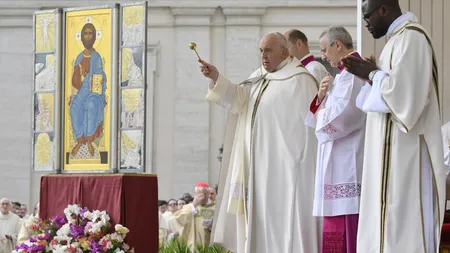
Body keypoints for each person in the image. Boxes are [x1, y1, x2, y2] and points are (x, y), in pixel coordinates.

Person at [341, 0, 448, 252]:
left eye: (368, 17)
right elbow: (387, 92)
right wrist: (372, 75)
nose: (366, 24)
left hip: (407, 154)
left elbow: (406, 100)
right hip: (390, 154)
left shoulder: (412, 38)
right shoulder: (395, 41)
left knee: (403, 225)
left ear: (385, 9)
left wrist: (372, 75)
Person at [199, 32, 320, 253]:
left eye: (268, 50)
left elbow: (307, 132)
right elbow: (238, 99)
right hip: (255, 170)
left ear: (284, 52)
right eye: (261, 51)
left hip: (285, 173)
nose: (263, 56)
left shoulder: (301, 81)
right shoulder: (259, 77)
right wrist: (216, 77)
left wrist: (295, 165)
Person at [305, 26, 366, 253]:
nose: (323, 56)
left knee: (346, 233)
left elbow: (345, 117)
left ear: (337, 45)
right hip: (337, 166)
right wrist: (322, 98)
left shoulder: (353, 73)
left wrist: (322, 114)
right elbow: (326, 115)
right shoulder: (343, 75)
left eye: (324, 50)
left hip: (347, 166)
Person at [70, 23, 107, 157]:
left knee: (91, 105)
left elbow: (100, 74)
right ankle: (80, 139)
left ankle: (90, 140)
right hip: (82, 90)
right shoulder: (79, 57)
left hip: (94, 92)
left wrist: (102, 79)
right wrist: (78, 73)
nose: (88, 36)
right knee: (74, 107)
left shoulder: (97, 57)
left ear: (94, 36)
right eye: (85, 33)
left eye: (90, 33)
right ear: (82, 37)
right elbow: (75, 82)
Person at [174, 182, 215, 248]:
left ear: (208, 194)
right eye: (200, 194)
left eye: (205, 194)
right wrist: (194, 205)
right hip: (194, 244)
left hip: (210, 244)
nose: (203, 197)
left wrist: (212, 226)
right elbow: (180, 219)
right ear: (195, 194)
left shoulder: (215, 207)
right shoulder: (188, 207)